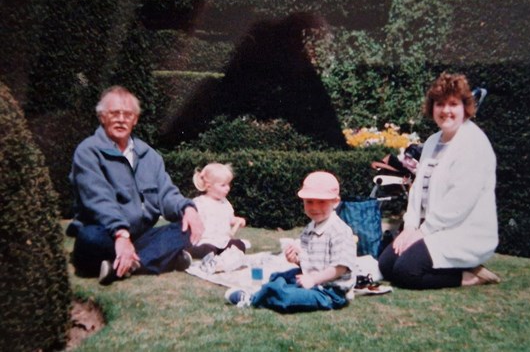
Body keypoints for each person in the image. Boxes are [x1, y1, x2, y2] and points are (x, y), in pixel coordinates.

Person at [67, 86, 204, 285]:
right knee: (89, 238)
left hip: (140, 236)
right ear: (102, 117)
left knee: (187, 228)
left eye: (127, 114)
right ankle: (160, 259)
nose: (121, 119)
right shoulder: (88, 151)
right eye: (114, 113)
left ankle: (124, 266)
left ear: (135, 119)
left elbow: (167, 194)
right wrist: (120, 235)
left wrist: (187, 208)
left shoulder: (150, 156)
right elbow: (98, 200)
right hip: (104, 233)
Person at [378, 72, 500, 289]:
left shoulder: (473, 143)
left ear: (465, 107)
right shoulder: (434, 141)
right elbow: (416, 192)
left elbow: (458, 204)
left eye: (453, 104)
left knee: (407, 272)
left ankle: (471, 276)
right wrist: (409, 228)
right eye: (440, 104)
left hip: (463, 232)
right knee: (387, 265)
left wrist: (421, 233)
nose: (446, 111)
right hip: (433, 229)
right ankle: (446, 264)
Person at [225, 171, 357, 313]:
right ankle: (266, 289)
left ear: (335, 202)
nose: (314, 207)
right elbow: (310, 261)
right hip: (310, 279)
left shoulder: (339, 230)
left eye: (322, 202)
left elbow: (341, 267)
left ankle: (252, 298)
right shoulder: (309, 228)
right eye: (309, 201)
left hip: (330, 291)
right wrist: (296, 259)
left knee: (287, 296)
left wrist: (313, 279)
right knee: (279, 276)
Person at [186, 163, 247, 259]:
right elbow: (192, 221)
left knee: (239, 244)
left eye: (228, 184)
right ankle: (191, 251)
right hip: (206, 240)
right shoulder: (200, 203)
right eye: (223, 185)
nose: (228, 188)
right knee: (208, 250)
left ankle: (225, 253)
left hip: (223, 240)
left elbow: (229, 218)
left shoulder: (225, 203)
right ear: (209, 186)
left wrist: (237, 220)